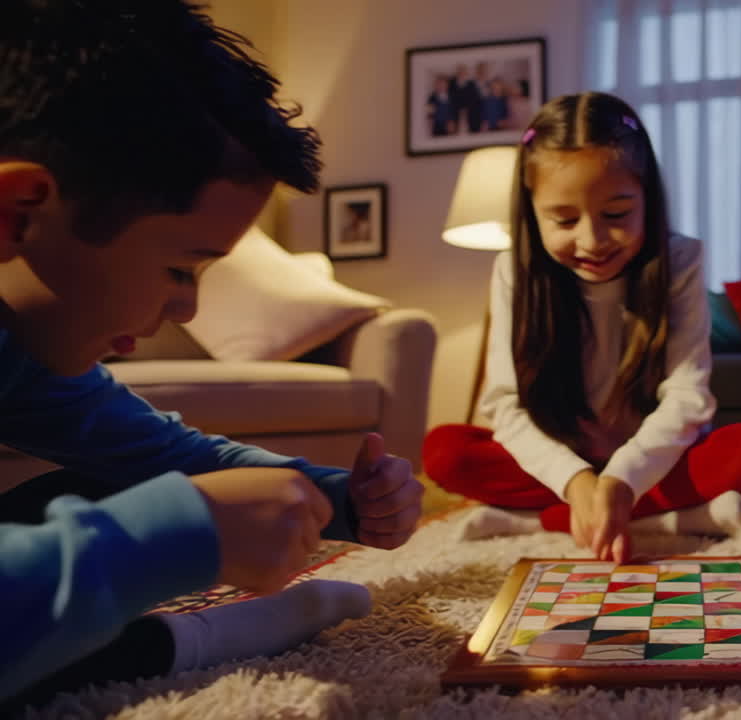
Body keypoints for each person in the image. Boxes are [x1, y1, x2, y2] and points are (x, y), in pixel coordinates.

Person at [0, 0, 424, 709]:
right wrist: (171, 535)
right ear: (20, 212)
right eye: (180, 269)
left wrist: (342, 499)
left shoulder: (25, 352)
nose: (187, 309)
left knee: (98, 494)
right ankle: (193, 641)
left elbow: (171, 456)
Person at [423, 92, 741, 561]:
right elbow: (505, 405)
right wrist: (577, 481)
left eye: (616, 214)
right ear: (532, 211)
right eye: (565, 219)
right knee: (445, 452)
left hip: (650, 461)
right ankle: (678, 516)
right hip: (562, 464)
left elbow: (687, 398)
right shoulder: (514, 270)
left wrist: (622, 479)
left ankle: (532, 521)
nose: (592, 240)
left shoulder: (680, 261)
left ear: (646, 199)